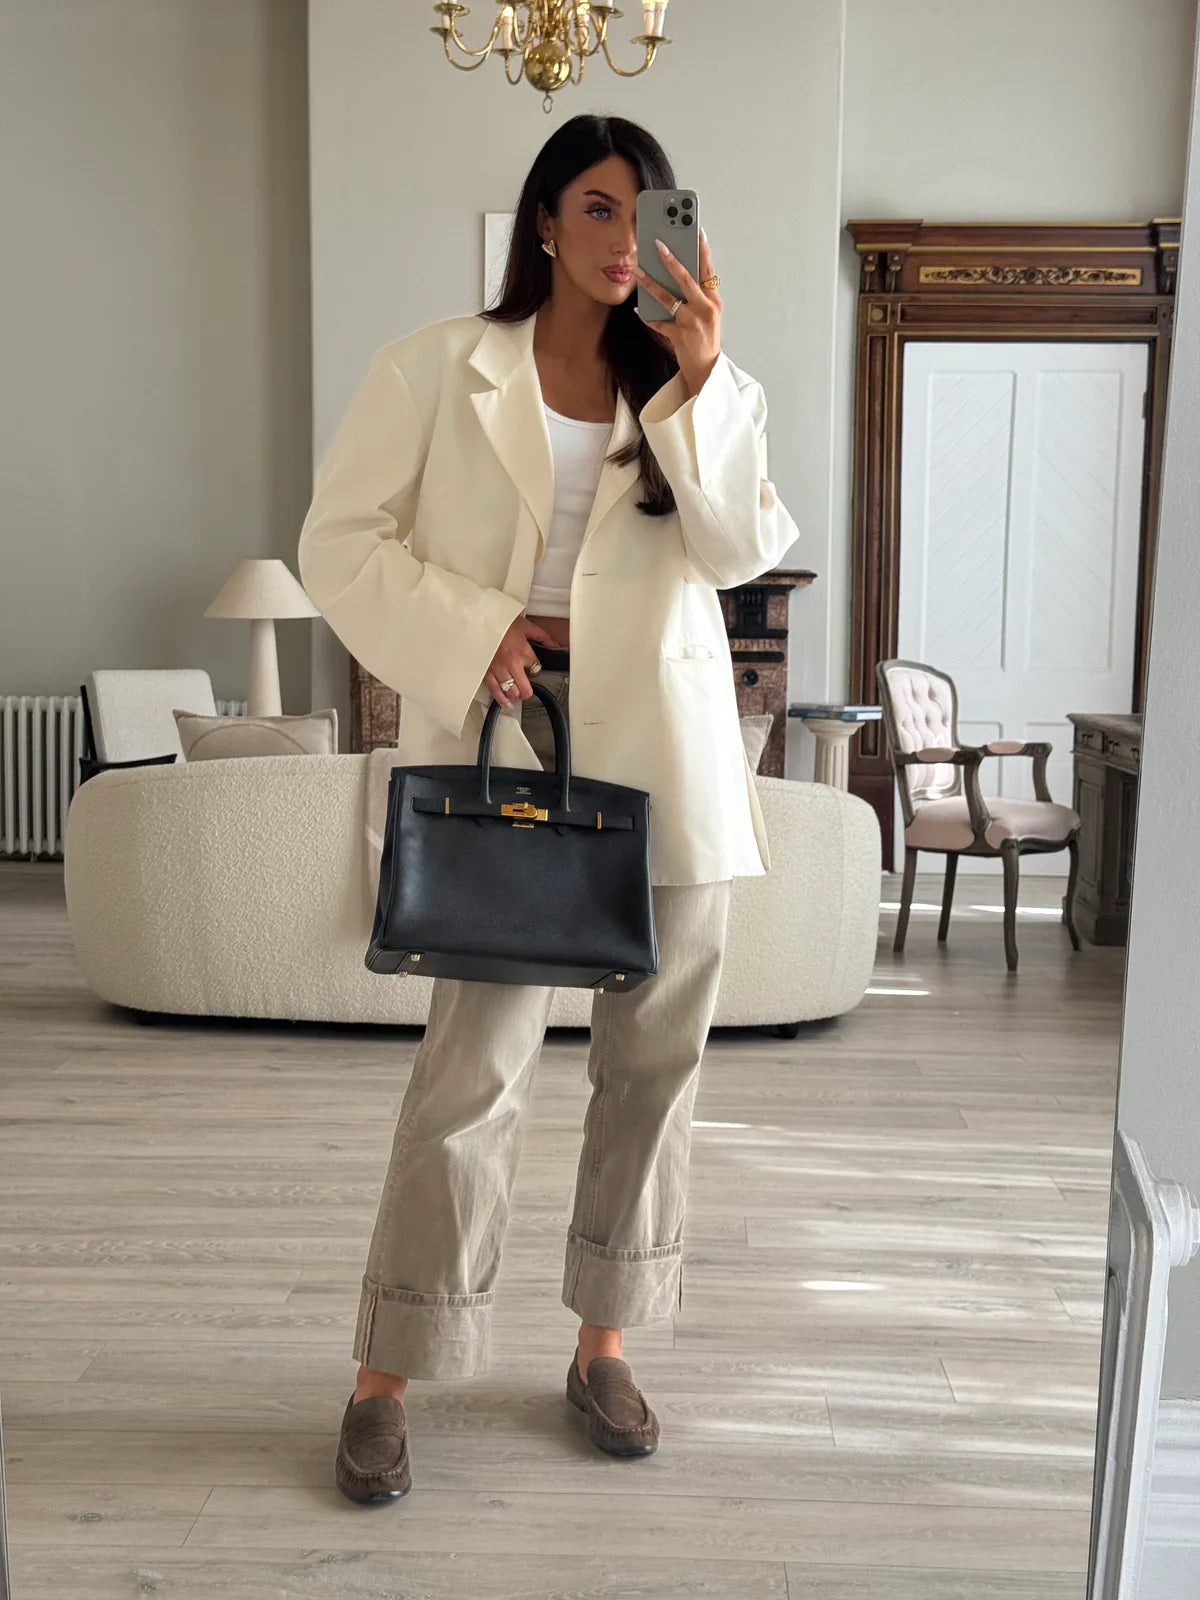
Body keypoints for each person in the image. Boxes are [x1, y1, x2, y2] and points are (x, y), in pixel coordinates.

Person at [296, 112, 800, 1504]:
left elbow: (739, 551)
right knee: (474, 1069)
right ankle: (391, 1369)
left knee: (656, 1065)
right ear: (544, 223)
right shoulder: (435, 367)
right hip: (511, 728)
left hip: (673, 749)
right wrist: (475, 631)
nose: (624, 237)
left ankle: (603, 1346)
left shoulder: (707, 384)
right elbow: (337, 544)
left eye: (647, 211)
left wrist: (701, 376)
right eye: (595, 207)